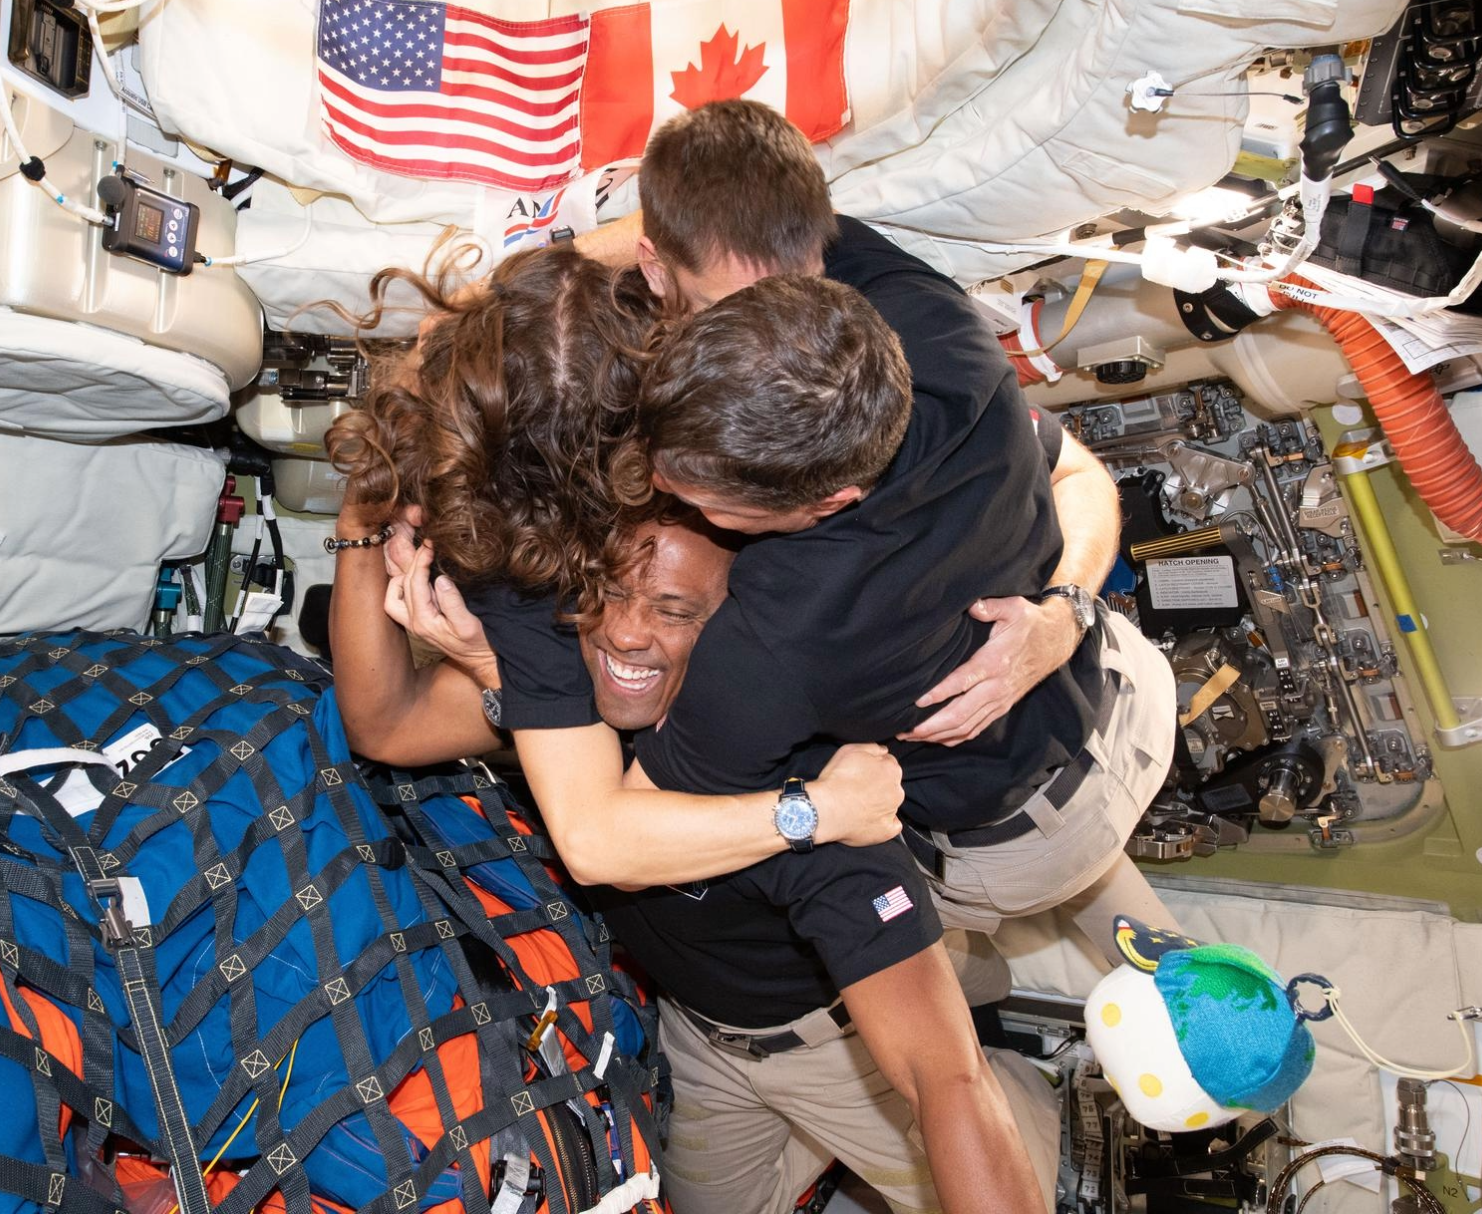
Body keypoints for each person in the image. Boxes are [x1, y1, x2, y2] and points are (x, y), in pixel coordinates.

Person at [381, 102, 1176, 1214]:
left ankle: (1125, 990)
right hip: (1124, 701)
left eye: (688, 494)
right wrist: (1064, 609)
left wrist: (818, 809)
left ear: (812, 508)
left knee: (1009, 941)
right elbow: (1086, 479)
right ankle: (1136, 956)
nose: (658, 486)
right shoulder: (930, 334)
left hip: (1008, 838)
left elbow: (608, 832)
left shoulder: (776, 651)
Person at [324, 243, 907, 889]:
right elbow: (387, 728)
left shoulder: (771, 414)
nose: (627, 628)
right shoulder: (523, 598)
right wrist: (362, 523)